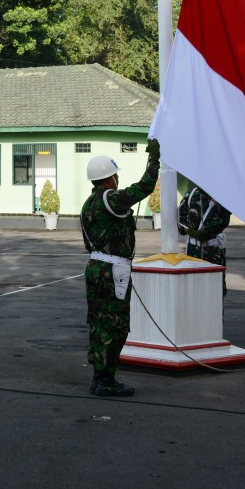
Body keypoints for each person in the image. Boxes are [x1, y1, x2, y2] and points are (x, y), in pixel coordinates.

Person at [79, 139, 160, 398]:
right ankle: (106, 380)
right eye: (114, 175)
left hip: (96, 267)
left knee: (99, 323)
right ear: (108, 178)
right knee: (115, 326)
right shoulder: (110, 199)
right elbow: (144, 187)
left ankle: (99, 377)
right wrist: (154, 159)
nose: (117, 179)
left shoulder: (89, 203)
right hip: (112, 272)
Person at [177, 182, 232, 295]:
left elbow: (207, 233)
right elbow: (180, 220)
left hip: (213, 251)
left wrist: (189, 231)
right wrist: (189, 231)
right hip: (193, 250)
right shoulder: (191, 195)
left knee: (215, 290)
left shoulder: (223, 198)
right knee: (192, 289)